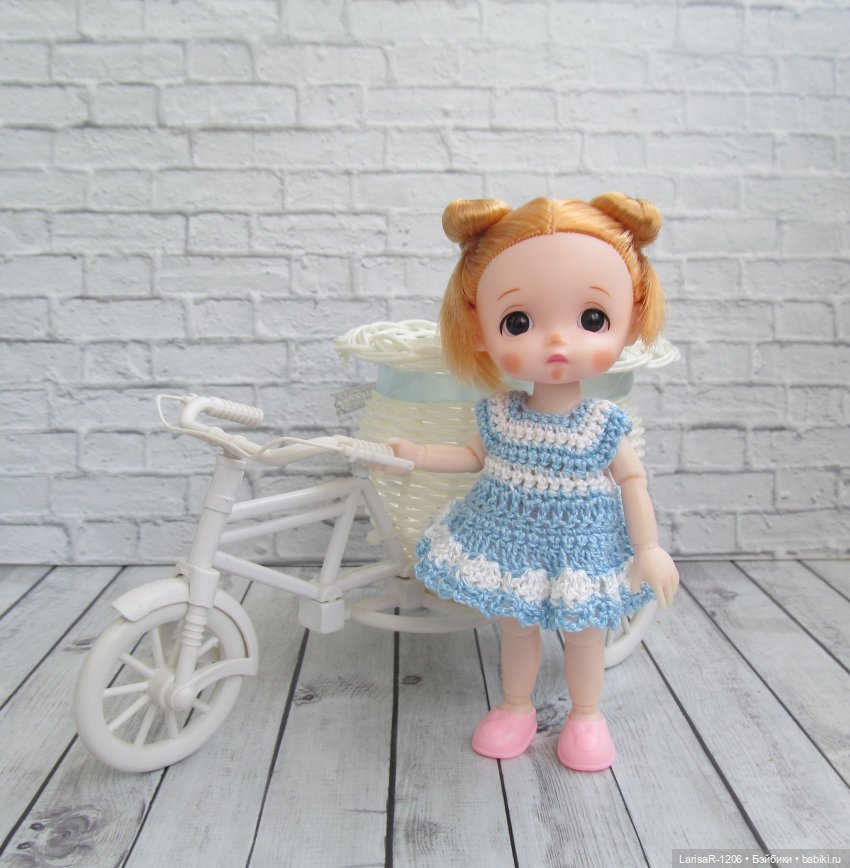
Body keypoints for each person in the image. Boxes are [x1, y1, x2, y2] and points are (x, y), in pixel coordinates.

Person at [389, 194, 679, 771]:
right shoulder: (500, 414)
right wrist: (418, 455)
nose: (556, 341)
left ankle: (586, 715)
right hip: (507, 542)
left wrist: (648, 548)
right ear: (478, 327)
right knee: (517, 628)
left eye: (591, 319)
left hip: (582, 549)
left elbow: (632, 479)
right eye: (517, 322)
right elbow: (471, 457)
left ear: (630, 319)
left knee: (585, 634)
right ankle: (516, 706)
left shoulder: (601, 423)